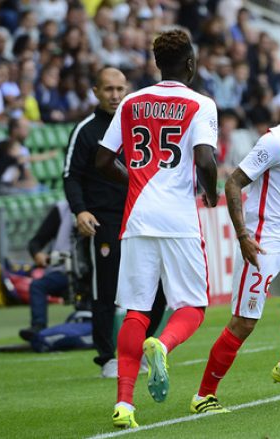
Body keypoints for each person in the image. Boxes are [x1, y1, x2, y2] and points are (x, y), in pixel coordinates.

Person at [190, 72, 280, 415]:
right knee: (245, 322)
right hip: (262, 242)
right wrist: (243, 236)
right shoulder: (275, 142)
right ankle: (203, 395)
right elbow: (233, 184)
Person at [95, 30, 219, 429]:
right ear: (190, 64)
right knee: (192, 308)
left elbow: (101, 161)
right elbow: (204, 160)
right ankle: (162, 346)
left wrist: (132, 179)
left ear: (156, 64)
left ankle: (124, 406)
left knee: (136, 310)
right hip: (179, 218)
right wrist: (212, 194)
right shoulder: (200, 103)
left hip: (137, 217)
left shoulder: (130, 102)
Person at [63, 67, 167, 379]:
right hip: (104, 221)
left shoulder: (139, 125)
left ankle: (141, 347)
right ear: (95, 91)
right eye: (108, 89)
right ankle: (108, 357)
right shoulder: (86, 130)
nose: (115, 95)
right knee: (105, 290)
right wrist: (80, 210)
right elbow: (71, 176)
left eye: (120, 88)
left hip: (142, 219)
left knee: (158, 288)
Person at [18, 201, 74, 341]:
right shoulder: (62, 209)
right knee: (38, 285)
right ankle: (38, 327)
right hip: (64, 271)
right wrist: (38, 254)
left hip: (97, 273)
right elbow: (36, 242)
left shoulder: (102, 203)